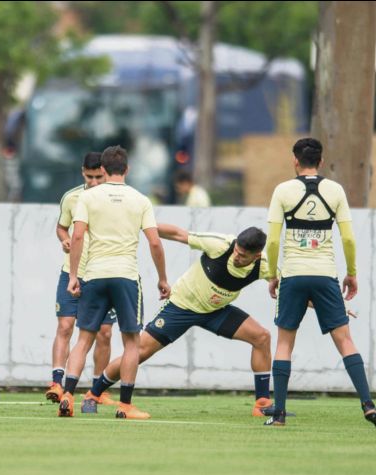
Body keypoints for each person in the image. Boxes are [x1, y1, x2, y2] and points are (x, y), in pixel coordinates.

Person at [262, 137, 376, 428]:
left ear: (295, 160)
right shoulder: (335, 190)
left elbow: (271, 240)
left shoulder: (282, 190)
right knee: (345, 341)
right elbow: (347, 237)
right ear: (321, 162)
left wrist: (272, 274)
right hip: (325, 275)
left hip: (293, 275)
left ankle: (279, 413)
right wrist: (352, 273)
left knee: (284, 344)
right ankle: (368, 405)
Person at [83, 224, 277, 416]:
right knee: (139, 351)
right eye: (236, 251)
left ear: (257, 256)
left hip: (216, 311)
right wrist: (144, 226)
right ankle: (93, 394)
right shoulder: (219, 245)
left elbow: (285, 288)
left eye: (243, 256)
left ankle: (261, 404)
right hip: (181, 306)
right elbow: (178, 234)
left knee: (261, 337)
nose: (237, 257)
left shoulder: (265, 265)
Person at [58, 146, 171, 419]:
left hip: (94, 275)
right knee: (132, 342)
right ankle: (125, 405)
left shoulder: (89, 197)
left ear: (104, 171)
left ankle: (68, 395)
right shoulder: (141, 200)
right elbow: (154, 242)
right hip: (126, 276)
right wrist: (162, 279)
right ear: (127, 170)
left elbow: (77, 237)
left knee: (84, 339)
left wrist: (73, 276)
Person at [45, 152, 117, 409]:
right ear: (82, 173)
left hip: (102, 274)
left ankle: (97, 389)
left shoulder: (114, 198)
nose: (95, 181)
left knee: (105, 333)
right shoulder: (72, 197)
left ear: (106, 173)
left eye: (99, 176)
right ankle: (56, 382)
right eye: (90, 177)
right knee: (65, 327)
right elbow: (61, 226)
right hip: (71, 272)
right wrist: (63, 238)